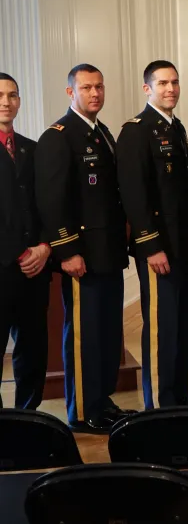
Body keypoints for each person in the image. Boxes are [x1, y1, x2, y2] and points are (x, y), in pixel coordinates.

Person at [35, 64, 135, 432]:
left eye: (99, 87)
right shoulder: (58, 137)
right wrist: (66, 252)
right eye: (87, 88)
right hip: (82, 257)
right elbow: (51, 201)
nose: (95, 94)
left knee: (108, 333)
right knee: (84, 336)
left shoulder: (103, 133)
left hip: (108, 252)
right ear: (70, 93)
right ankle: (82, 411)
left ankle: (102, 401)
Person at [116, 60, 188, 409]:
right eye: (163, 83)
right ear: (147, 88)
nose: (170, 89)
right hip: (158, 249)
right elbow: (134, 195)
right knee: (160, 328)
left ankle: (179, 396)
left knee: (182, 325)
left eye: (175, 82)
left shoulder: (176, 127)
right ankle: (159, 406)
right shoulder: (136, 131)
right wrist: (150, 246)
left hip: (183, 245)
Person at [0, 72, 49, 410]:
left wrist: (45, 247)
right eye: (0, 95)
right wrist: (17, 252)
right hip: (2, 267)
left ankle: (27, 417)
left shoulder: (34, 149)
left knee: (33, 350)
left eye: (13, 95)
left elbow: (51, 205)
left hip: (35, 269)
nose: (6, 101)